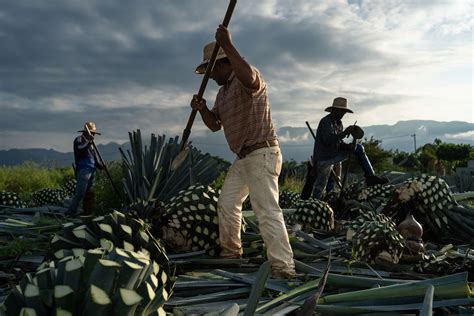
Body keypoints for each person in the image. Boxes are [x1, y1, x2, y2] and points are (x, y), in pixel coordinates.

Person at [190, 25, 296, 279]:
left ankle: (284, 267)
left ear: (224, 63)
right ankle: (231, 253)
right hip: (243, 158)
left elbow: (250, 78)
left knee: (266, 210)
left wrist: (227, 44)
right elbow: (215, 125)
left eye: (212, 69)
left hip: (262, 154)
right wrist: (202, 109)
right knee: (227, 203)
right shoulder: (222, 94)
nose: (211, 76)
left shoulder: (246, 78)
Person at [311, 97, 389, 199]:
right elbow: (328, 141)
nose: (343, 114)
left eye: (344, 112)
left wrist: (348, 146)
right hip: (324, 158)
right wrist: (345, 133)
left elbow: (338, 143)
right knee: (320, 188)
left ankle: (370, 176)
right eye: (341, 111)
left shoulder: (339, 124)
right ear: (334, 110)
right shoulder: (326, 122)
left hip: (333, 155)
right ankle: (315, 204)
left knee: (358, 148)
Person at [65, 122, 103, 216]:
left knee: (89, 193)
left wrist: (100, 166)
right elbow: (80, 150)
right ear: (86, 132)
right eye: (92, 133)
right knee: (80, 192)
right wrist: (88, 142)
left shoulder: (91, 143)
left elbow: (93, 156)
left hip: (92, 170)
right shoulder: (79, 140)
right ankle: (71, 212)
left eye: (94, 133)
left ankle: (87, 212)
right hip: (83, 170)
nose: (93, 135)